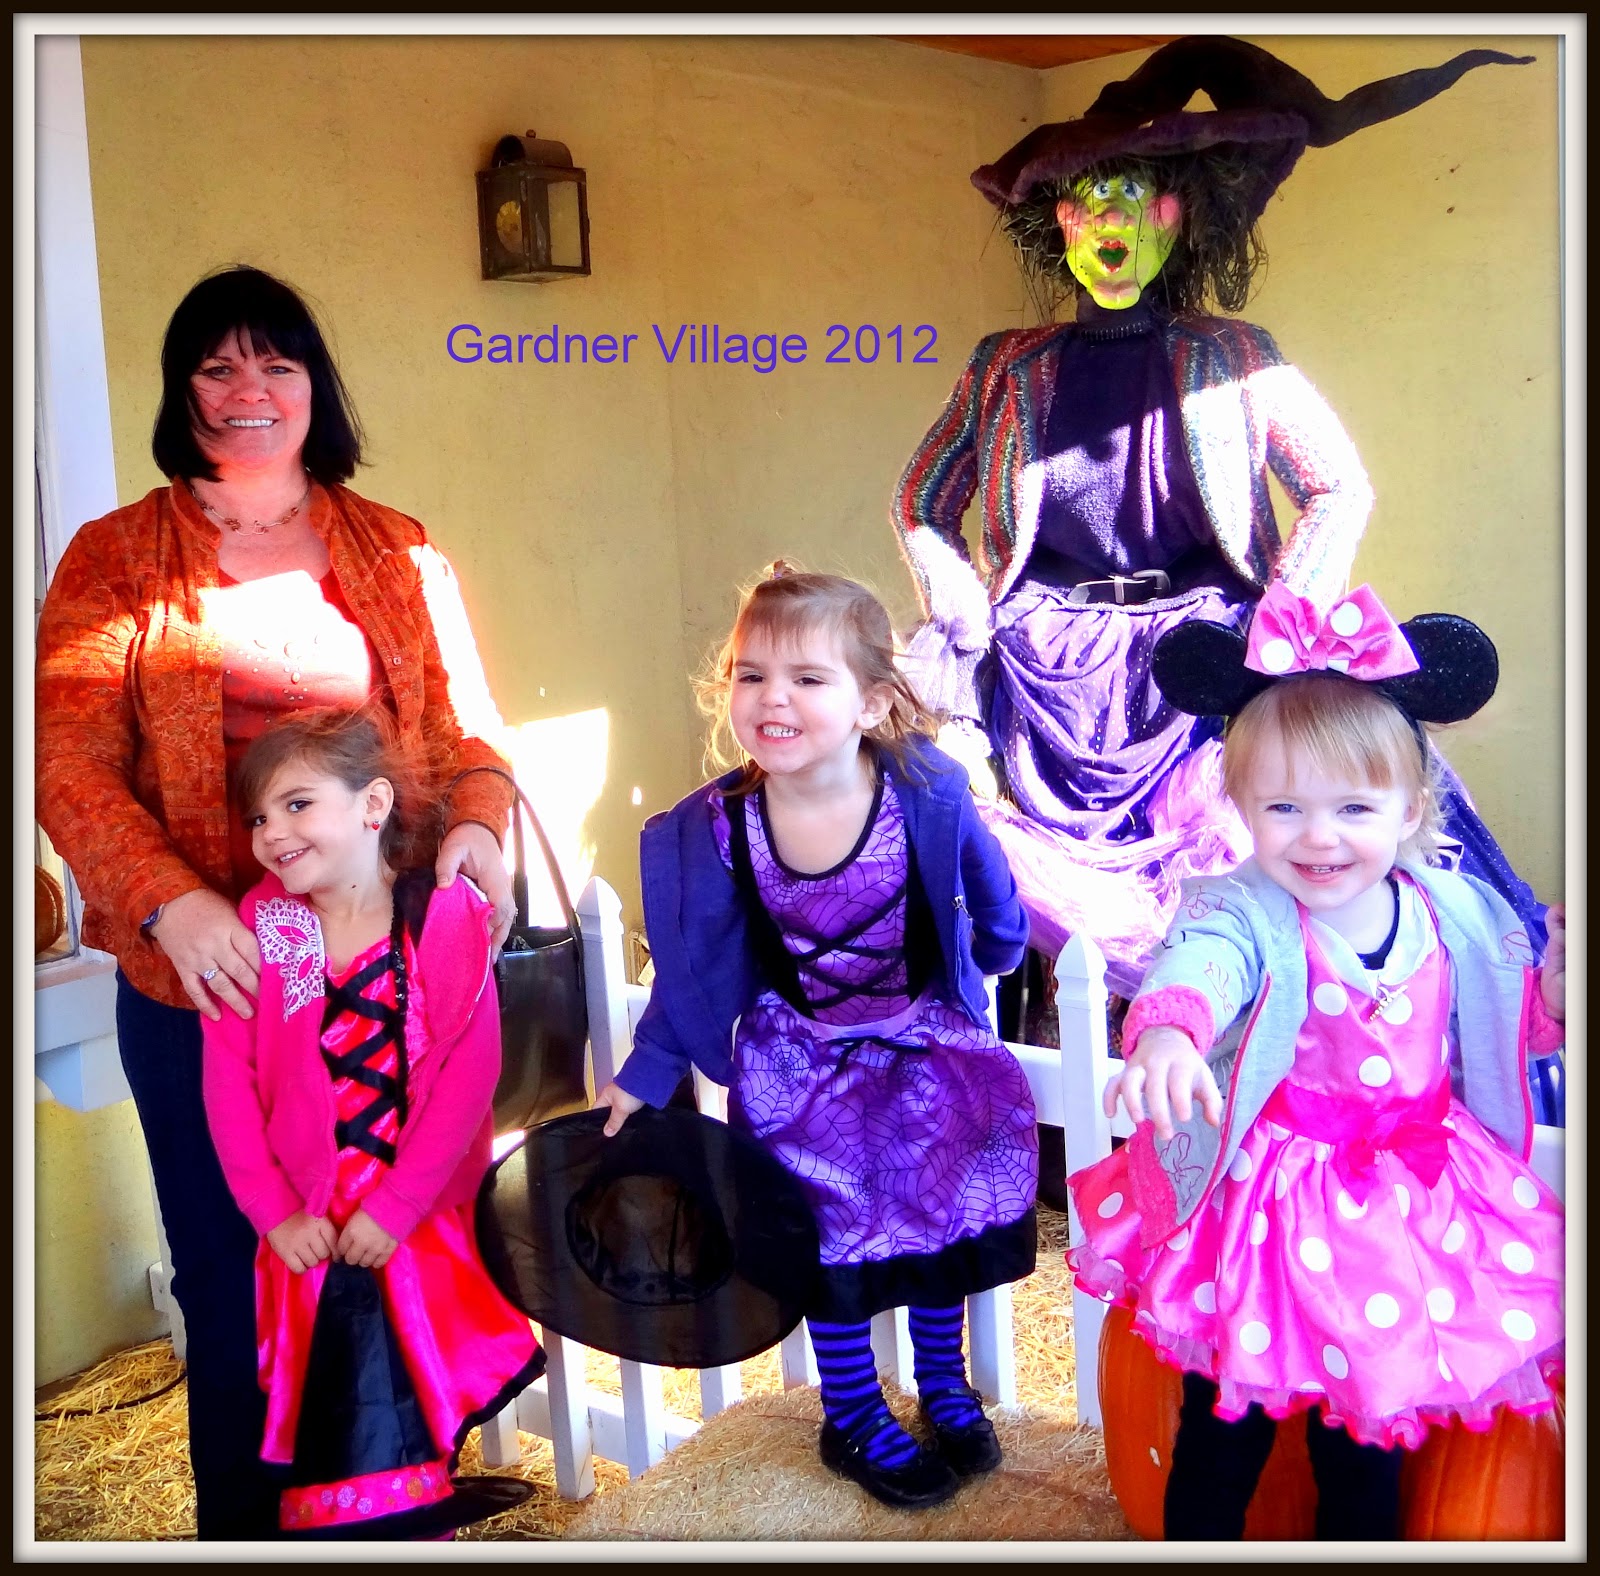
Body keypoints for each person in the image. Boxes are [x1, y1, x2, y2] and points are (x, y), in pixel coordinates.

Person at [891, 38, 1545, 1007]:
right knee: (978, 876)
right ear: (1059, 222)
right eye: (1087, 201)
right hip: (1038, 674)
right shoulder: (1003, 365)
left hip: (1204, 664)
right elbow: (920, 497)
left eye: (1135, 197)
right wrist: (957, 605)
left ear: (1175, 215)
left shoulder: (1234, 354)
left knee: (1259, 867)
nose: (1109, 221)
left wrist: (1284, 626)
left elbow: (1336, 485)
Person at [34, 266, 518, 1539]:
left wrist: (477, 820)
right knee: (237, 1273)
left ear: (315, 389)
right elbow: (65, 762)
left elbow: (469, 729)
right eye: (216, 367)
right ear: (181, 390)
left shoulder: (396, 545)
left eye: (275, 365)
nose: (247, 391)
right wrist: (168, 904)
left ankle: (399, 1513)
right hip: (217, 978)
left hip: (383, 966)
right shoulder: (113, 557)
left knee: (401, 1248)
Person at [1066, 583, 1565, 1540]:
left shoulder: (1455, 911)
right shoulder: (1244, 907)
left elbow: (1510, 1015)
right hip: (1270, 1211)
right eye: (1285, 806)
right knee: (1226, 1432)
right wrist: (1169, 1032)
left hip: (1409, 1211)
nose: (1319, 835)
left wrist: (1555, 997)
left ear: (1411, 807)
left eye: (1354, 806)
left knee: (1368, 1443)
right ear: (1243, 806)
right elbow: (1199, 964)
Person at [593, 567, 1039, 1510]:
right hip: (799, 1064)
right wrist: (647, 1068)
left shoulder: (924, 790)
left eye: (806, 677)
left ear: (871, 702)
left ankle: (943, 1383)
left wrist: (1001, 943)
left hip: (922, 1049)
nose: (773, 698)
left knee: (939, 1214)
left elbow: (986, 874)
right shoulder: (722, 826)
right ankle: (852, 1413)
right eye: (750, 675)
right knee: (827, 1238)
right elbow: (695, 966)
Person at [202, 708, 543, 1538]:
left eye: (296, 805)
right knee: (335, 1411)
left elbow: (467, 1078)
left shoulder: (442, 916)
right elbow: (230, 1086)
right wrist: (275, 1213)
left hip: (413, 1226)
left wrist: (396, 1207)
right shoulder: (268, 929)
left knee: (412, 1396)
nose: (271, 834)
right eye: (258, 818)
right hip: (312, 1233)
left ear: (373, 804)